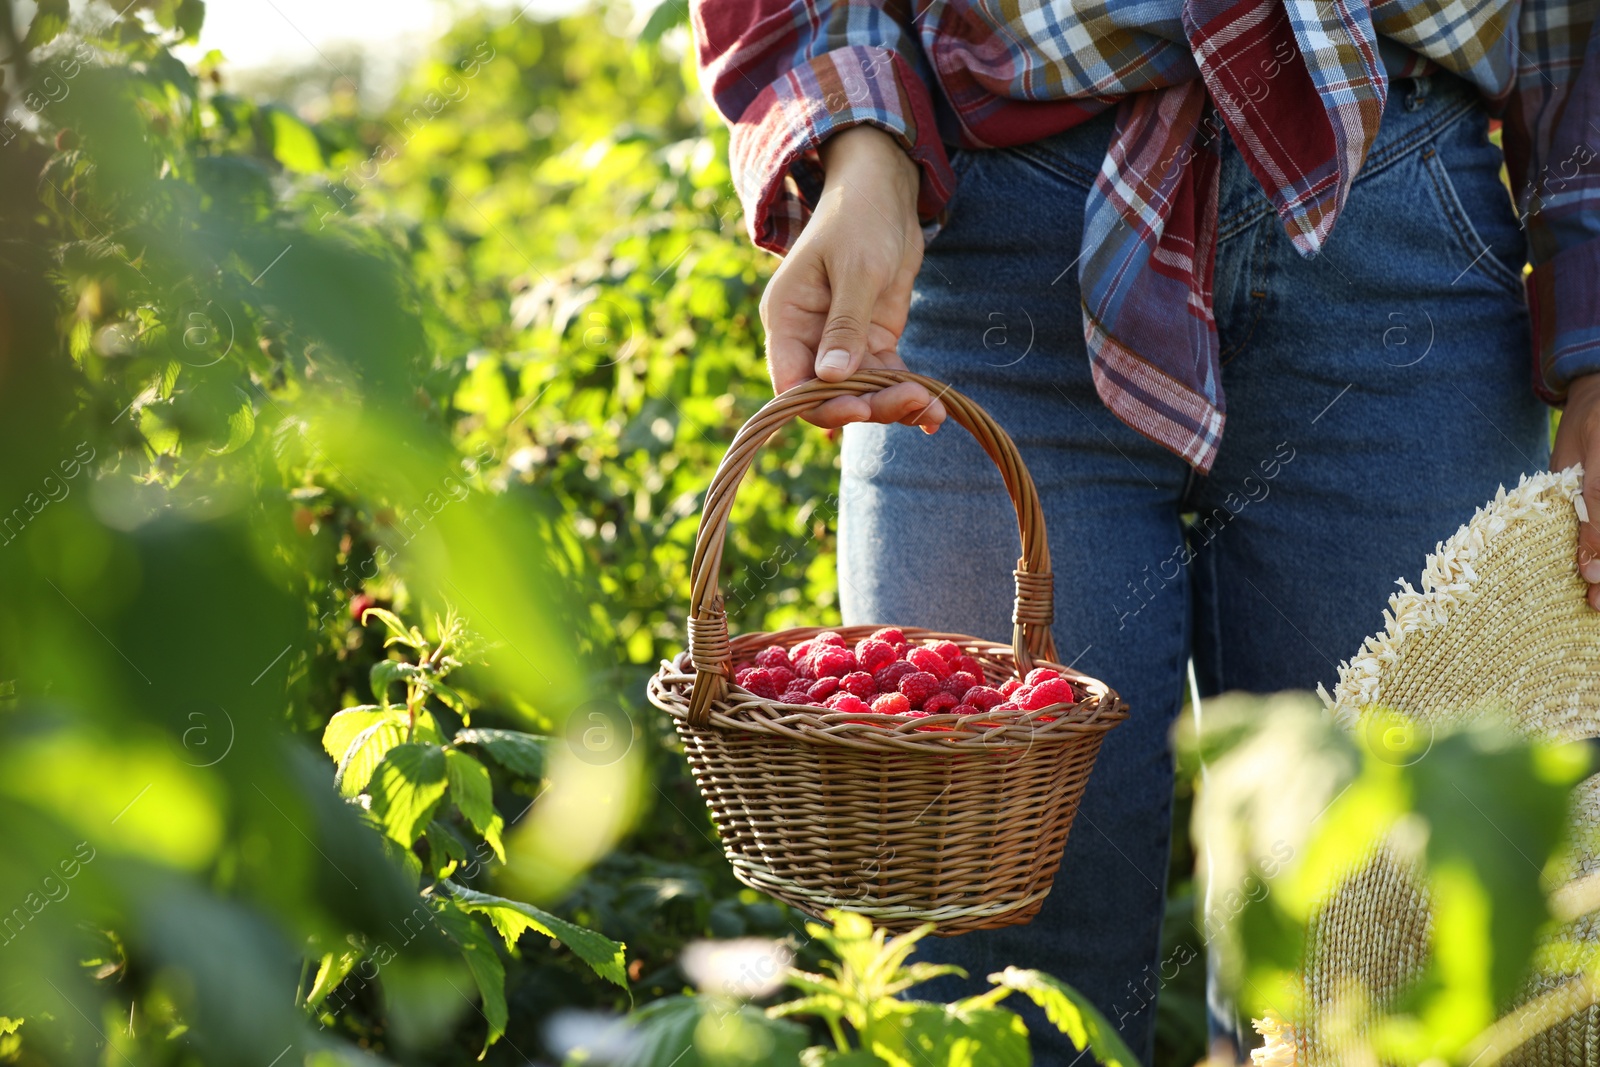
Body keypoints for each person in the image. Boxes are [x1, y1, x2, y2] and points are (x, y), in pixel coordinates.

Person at [691, 0, 1600, 1061]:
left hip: (1406, 238)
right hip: (992, 240)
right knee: (996, 967)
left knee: (1381, 952)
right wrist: (860, 148)